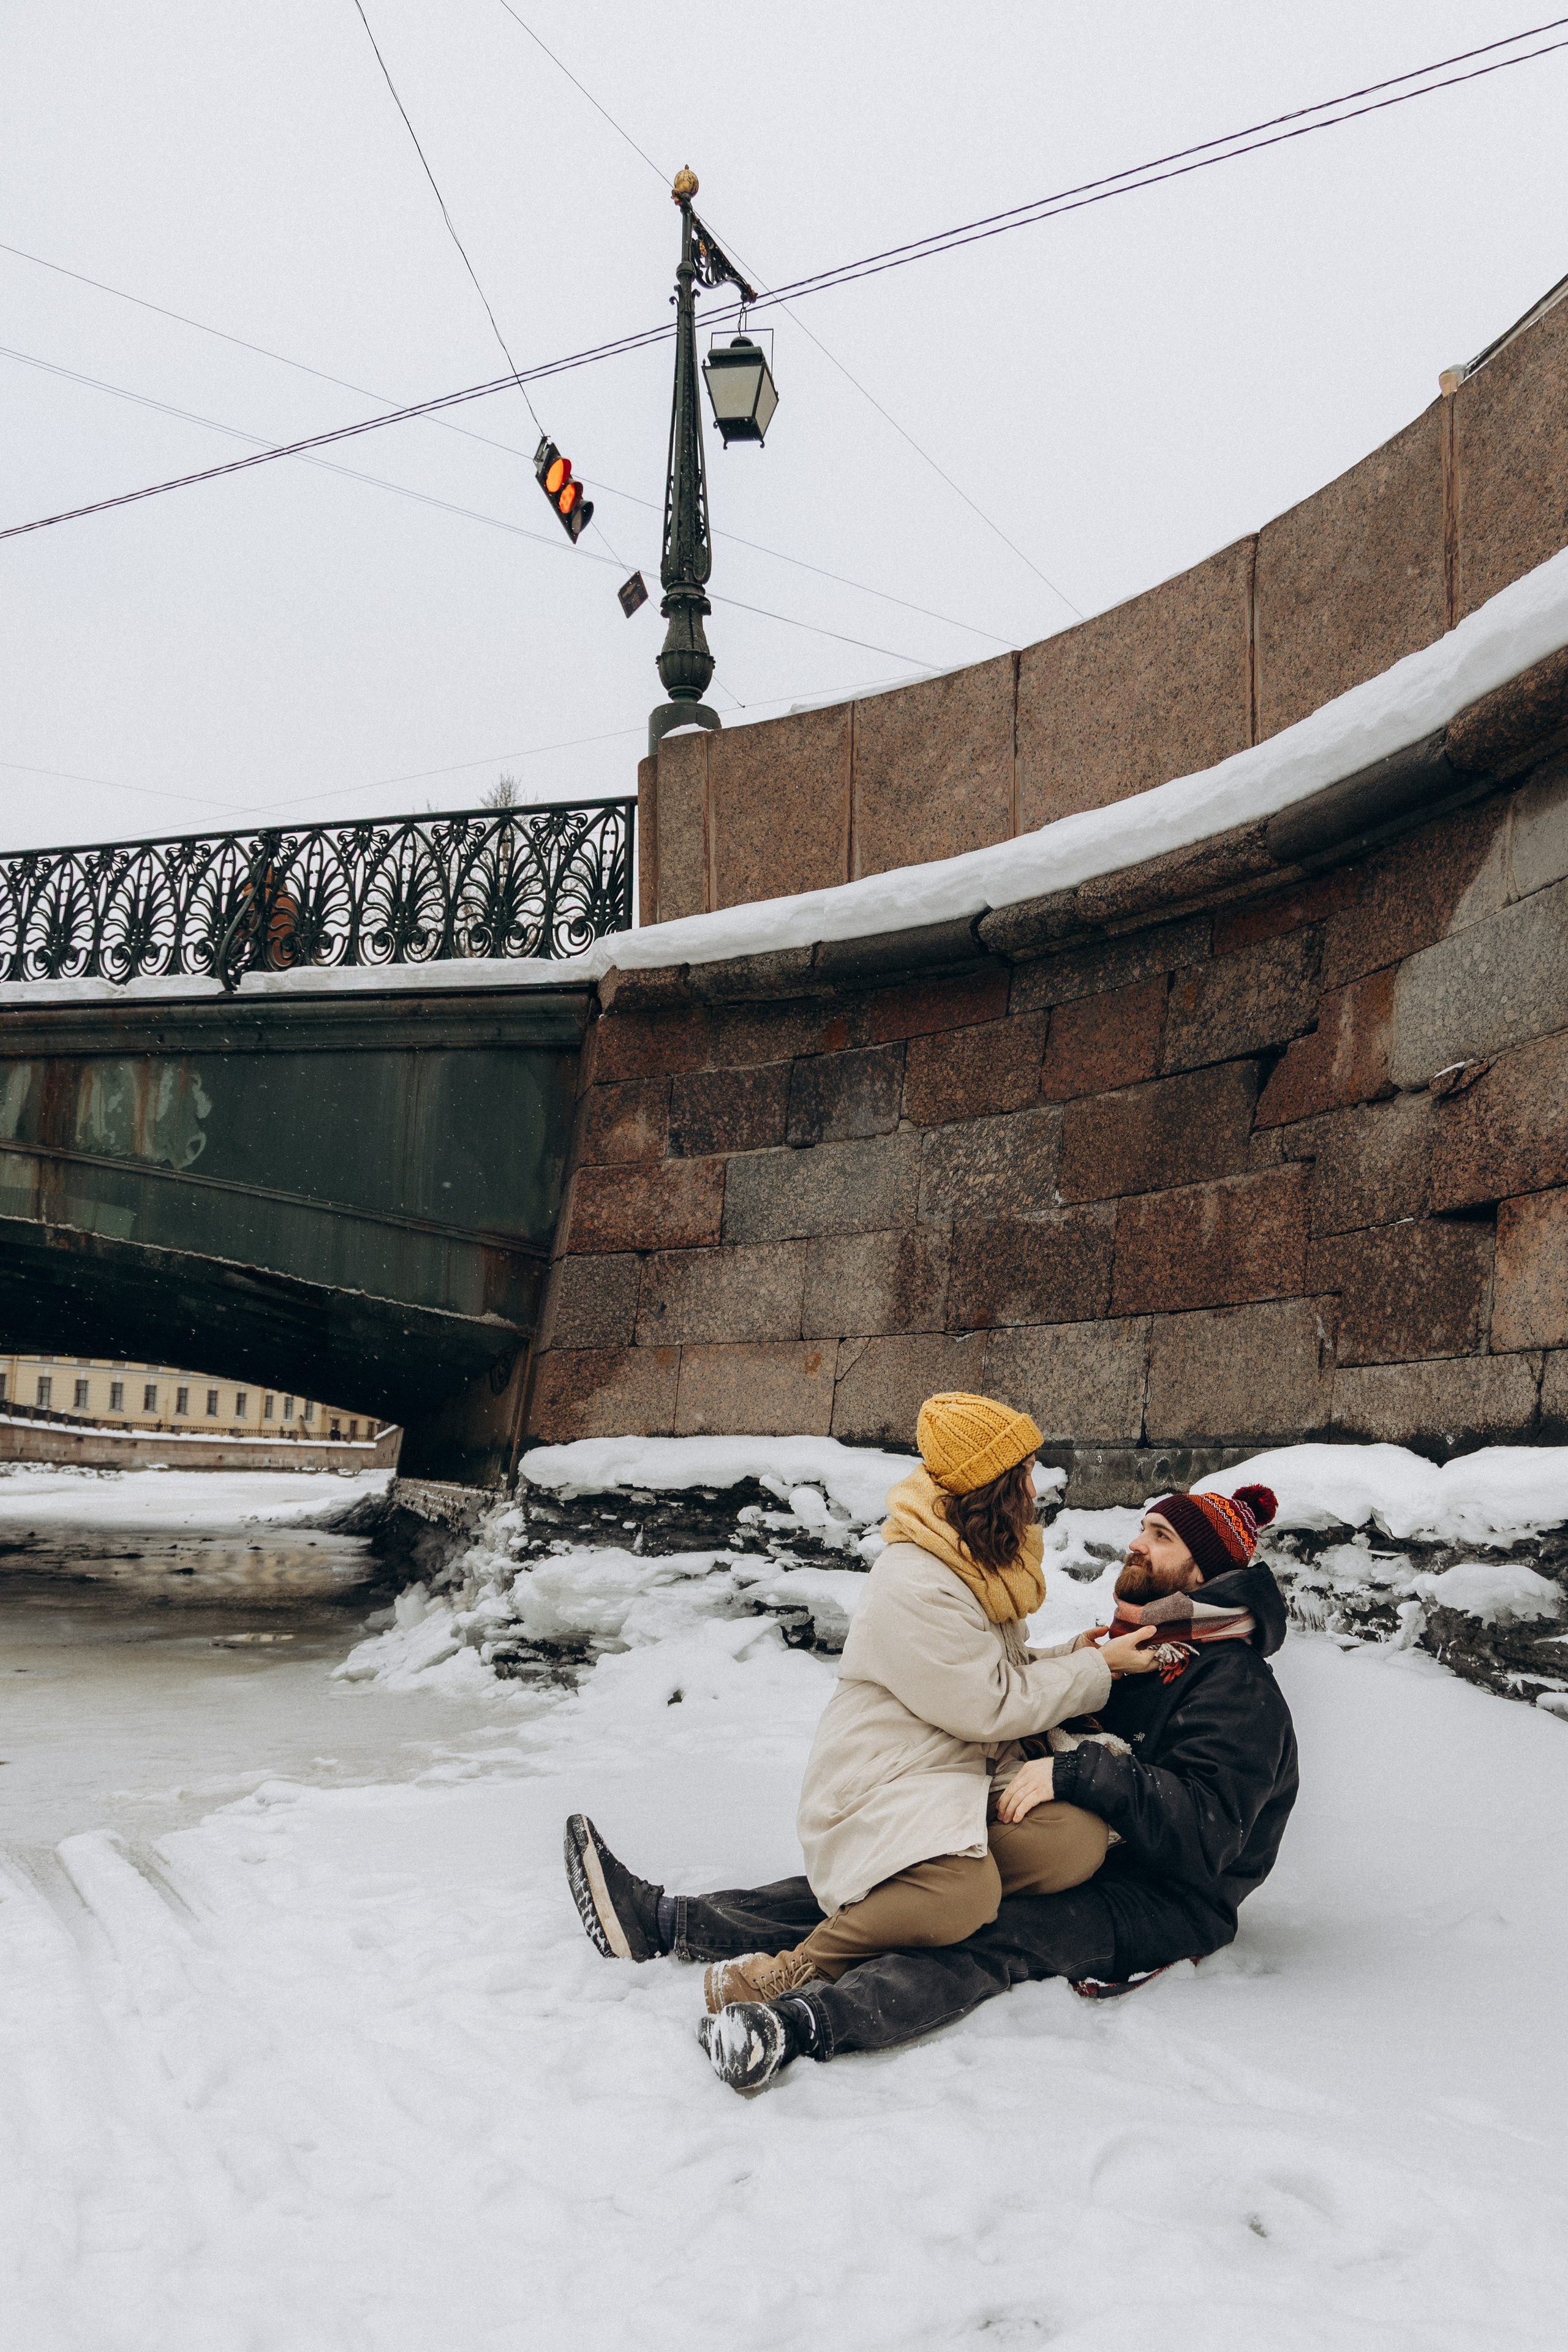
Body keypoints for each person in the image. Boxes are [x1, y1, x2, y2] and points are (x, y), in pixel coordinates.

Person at [566, 1460, 1299, 2094]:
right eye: (1144, 1527)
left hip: (1161, 1895)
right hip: (1083, 1846)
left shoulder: (1234, 1684)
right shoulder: (1139, 1645)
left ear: (1206, 1572)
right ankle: (665, 1922)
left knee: (986, 1932)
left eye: (1161, 1537)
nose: (1136, 1543)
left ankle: (793, 2025)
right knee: (911, 1870)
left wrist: (1077, 1774)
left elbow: (1210, 1832)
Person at [680, 1393, 1164, 2014]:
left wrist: (1076, 1652)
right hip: (887, 1782)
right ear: (994, 1484)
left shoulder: (969, 1559)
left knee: (1071, 1841)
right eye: (1023, 1471)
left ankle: (915, 1908)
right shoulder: (917, 1577)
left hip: (954, 1772)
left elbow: (991, 1673)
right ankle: (787, 1971)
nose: (1034, 1485)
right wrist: (1095, 1668)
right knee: (962, 1896)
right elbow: (987, 1704)